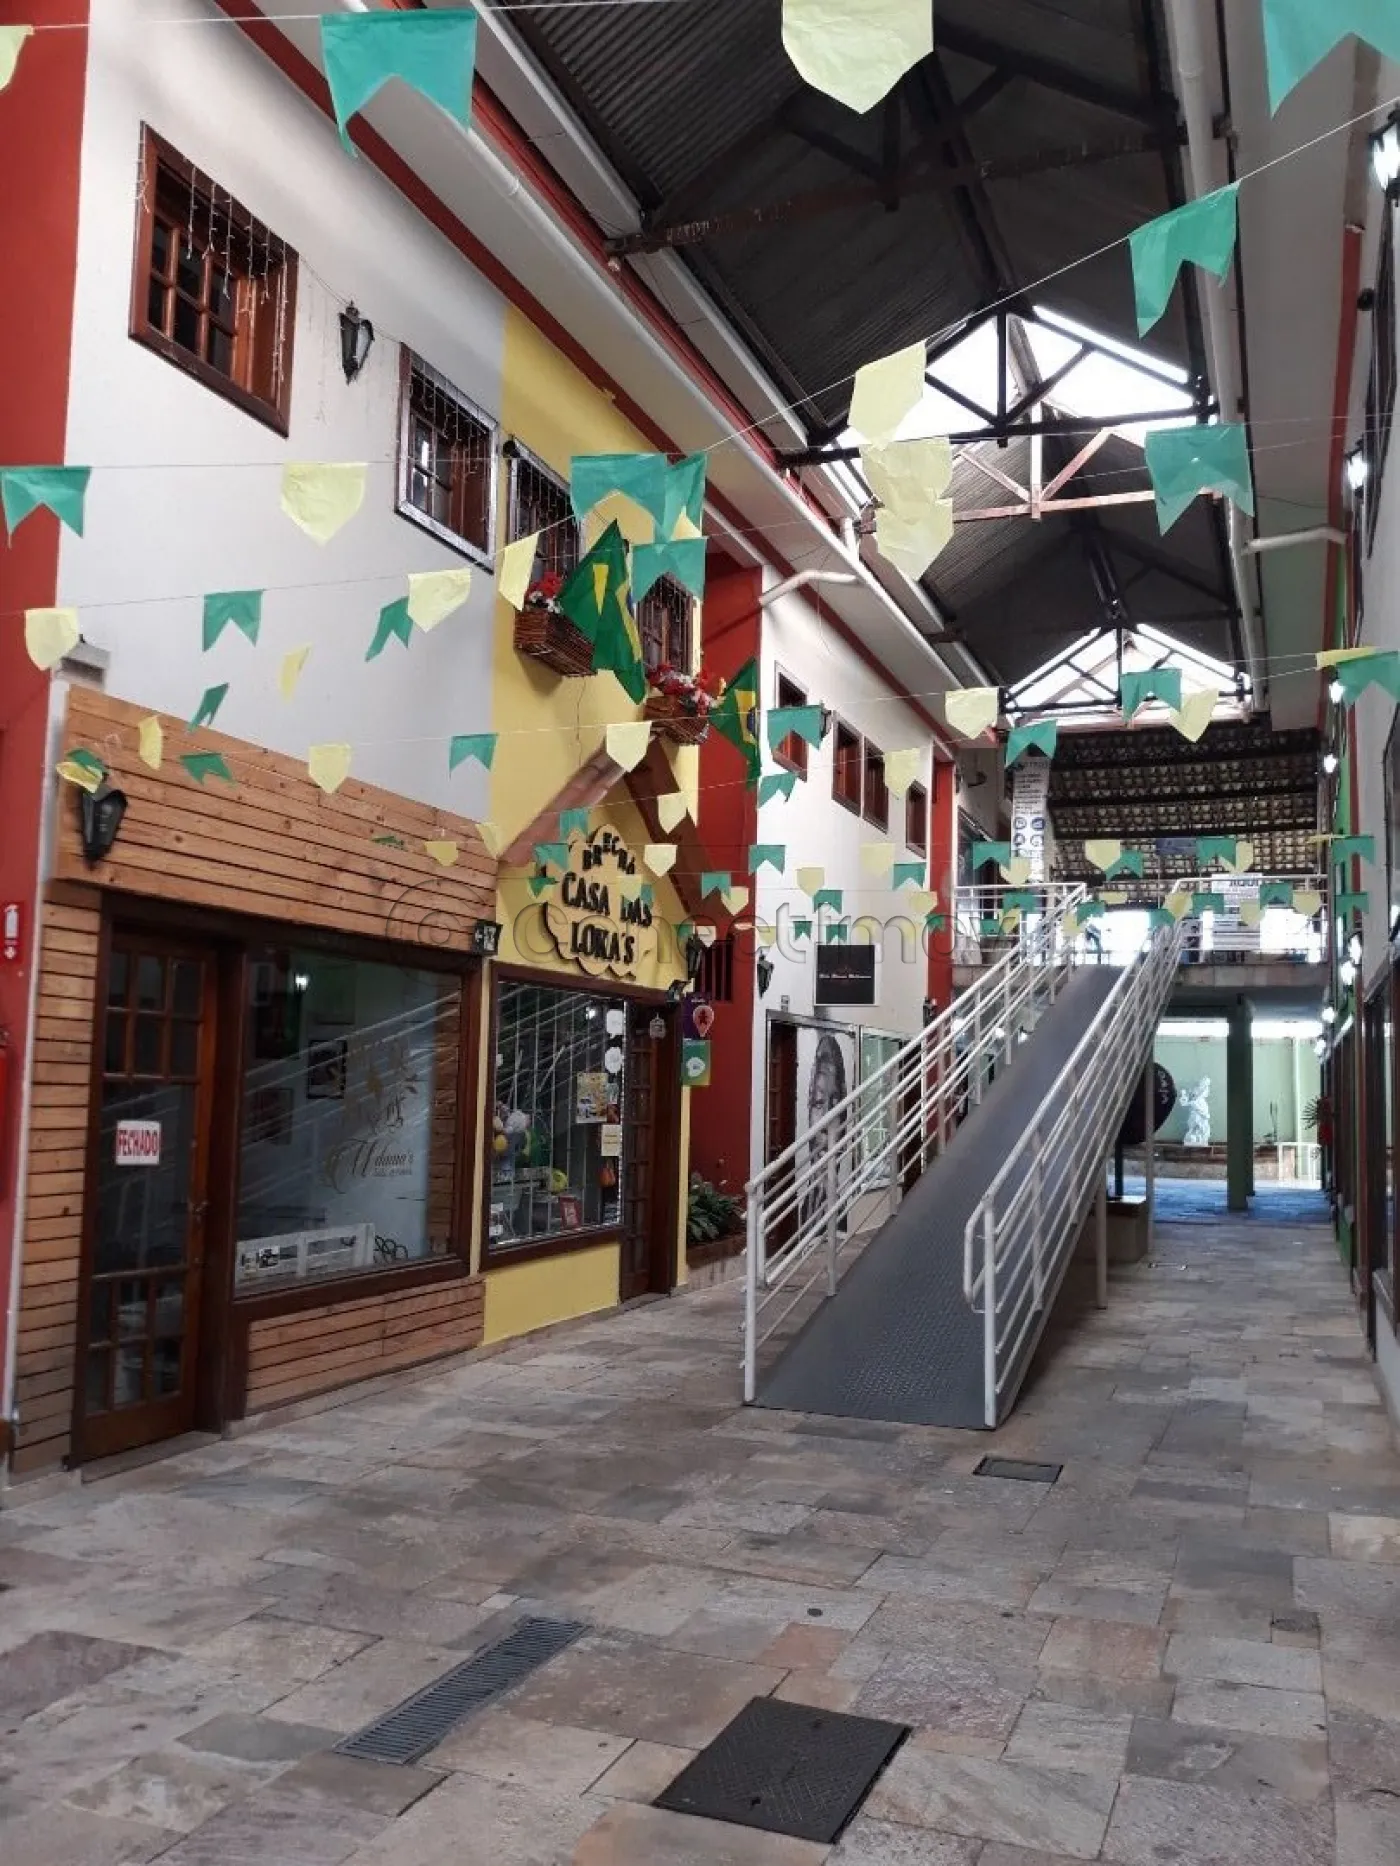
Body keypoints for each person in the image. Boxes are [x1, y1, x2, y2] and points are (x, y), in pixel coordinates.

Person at [799, 1032, 849, 1235]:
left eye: (835, 1103)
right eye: (818, 1103)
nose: (825, 1122)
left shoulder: (844, 1211)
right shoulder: (804, 1210)